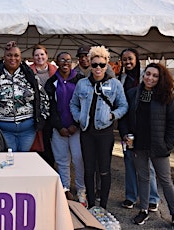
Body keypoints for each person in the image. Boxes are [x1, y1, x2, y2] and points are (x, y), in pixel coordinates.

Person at [119, 63, 174, 229]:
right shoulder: (133, 93)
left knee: (165, 180)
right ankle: (144, 210)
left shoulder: (167, 97)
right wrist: (126, 134)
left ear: (160, 78)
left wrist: (167, 145)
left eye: (155, 76)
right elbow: (124, 118)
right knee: (143, 178)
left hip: (159, 147)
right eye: (148, 74)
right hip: (138, 144)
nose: (150, 78)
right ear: (143, 75)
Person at [70, 46, 128, 209]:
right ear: (90, 64)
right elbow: (73, 103)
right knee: (89, 169)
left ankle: (103, 204)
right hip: (87, 132)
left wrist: (112, 115)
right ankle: (91, 204)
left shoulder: (115, 84)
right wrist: (79, 117)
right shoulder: (82, 84)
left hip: (105, 132)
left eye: (101, 65)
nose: (98, 68)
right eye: (94, 64)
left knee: (104, 169)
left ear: (107, 64)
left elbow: (123, 105)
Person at [0, 41, 50, 152]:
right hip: (3, 128)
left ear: (21, 58)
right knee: (10, 158)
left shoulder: (28, 74)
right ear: (4, 57)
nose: (12, 58)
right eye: (9, 55)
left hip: (27, 130)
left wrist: (42, 117)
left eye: (16, 55)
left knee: (23, 160)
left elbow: (43, 97)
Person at [117, 48, 160, 211]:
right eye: (125, 59)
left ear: (137, 59)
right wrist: (124, 132)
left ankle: (152, 197)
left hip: (146, 130)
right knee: (129, 162)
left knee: (147, 166)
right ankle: (130, 197)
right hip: (128, 128)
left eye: (130, 59)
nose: (127, 62)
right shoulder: (121, 79)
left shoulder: (147, 75)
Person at [45, 52, 86, 205]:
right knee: (62, 161)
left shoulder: (80, 80)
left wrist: (75, 125)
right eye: (62, 59)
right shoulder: (51, 82)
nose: (65, 62)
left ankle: (81, 190)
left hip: (77, 128)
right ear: (56, 62)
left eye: (68, 60)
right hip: (58, 129)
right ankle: (65, 189)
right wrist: (59, 126)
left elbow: (84, 104)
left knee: (78, 159)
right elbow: (50, 108)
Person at [30, 44, 57, 168]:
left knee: (52, 142)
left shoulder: (56, 71)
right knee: (38, 141)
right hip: (35, 112)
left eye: (42, 54)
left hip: (54, 111)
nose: (39, 57)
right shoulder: (28, 71)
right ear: (33, 57)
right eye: (36, 55)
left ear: (47, 55)